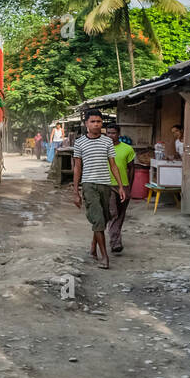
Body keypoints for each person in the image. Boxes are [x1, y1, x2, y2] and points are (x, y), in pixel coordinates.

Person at [71, 110, 127, 269]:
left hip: (105, 185)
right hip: (89, 185)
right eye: (93, 121)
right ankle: (104, 257)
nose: (96, 124)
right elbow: (77, 168)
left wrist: (121, 186)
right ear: (86, 124)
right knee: (97, 219)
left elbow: (113, 165)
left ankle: (93, 248)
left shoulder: (107, 142)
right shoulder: (80, 142)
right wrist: (76, 192)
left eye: (99, 122)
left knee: (103, 218)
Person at [105, 123, 136, 253]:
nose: (111, 135)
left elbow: (132, 168)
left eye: (113, 133)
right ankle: (115, 242)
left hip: (123, 185)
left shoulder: (127, 149)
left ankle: (115, 239)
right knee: (113, 213)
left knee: (121, 214)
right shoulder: (103, 148)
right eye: (108, 133)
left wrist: (129, 185)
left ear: (119, 134)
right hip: (107, 185)